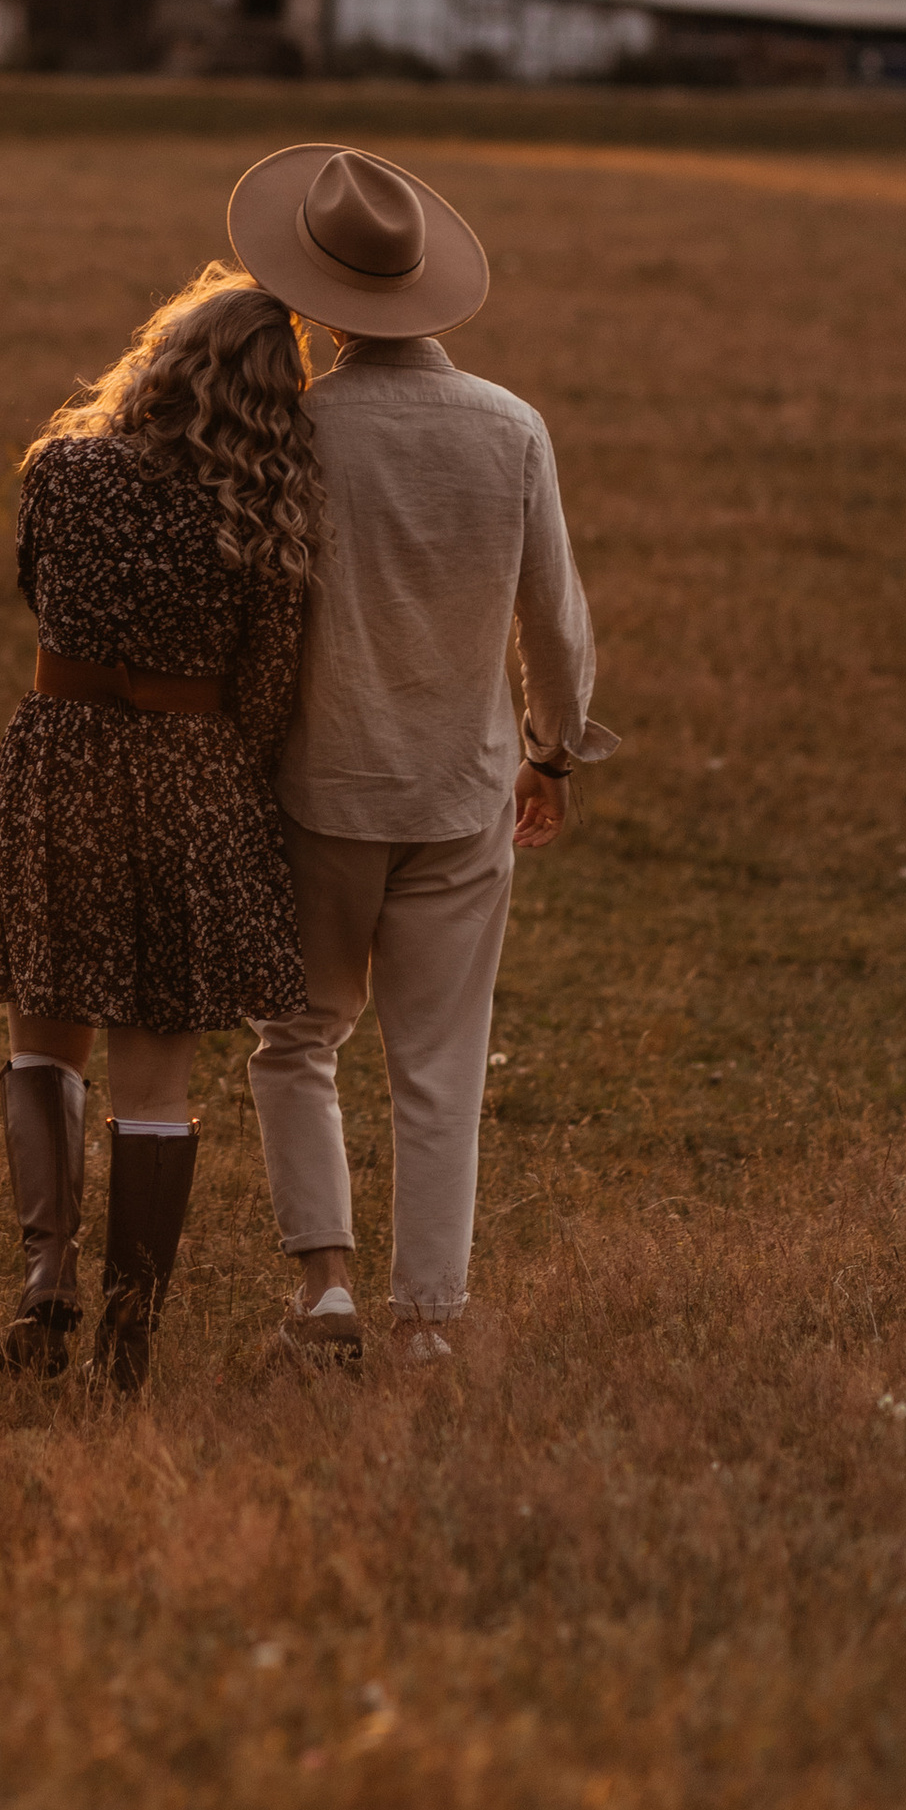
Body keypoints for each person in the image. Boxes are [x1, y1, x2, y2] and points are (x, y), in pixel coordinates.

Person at [226, 143, 618, 1366]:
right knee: (438, 1063)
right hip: (462, 792)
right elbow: (552, 618)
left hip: (319, 788)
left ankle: (325, 1290)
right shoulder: (511, 429)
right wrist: (549, 753)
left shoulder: (294, 431)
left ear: (315, 294)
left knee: (297, 1037)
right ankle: (429, 1322)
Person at [0, 264, 323, 1389]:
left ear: (163, 361)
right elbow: (265, 695)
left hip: (59, 766)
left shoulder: (63, 472)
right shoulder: (267, 512)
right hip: (187, 782)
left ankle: (43, 1274)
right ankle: (131, 1325)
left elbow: (40, 599)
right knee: (155, 1086)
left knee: (42, 1035)